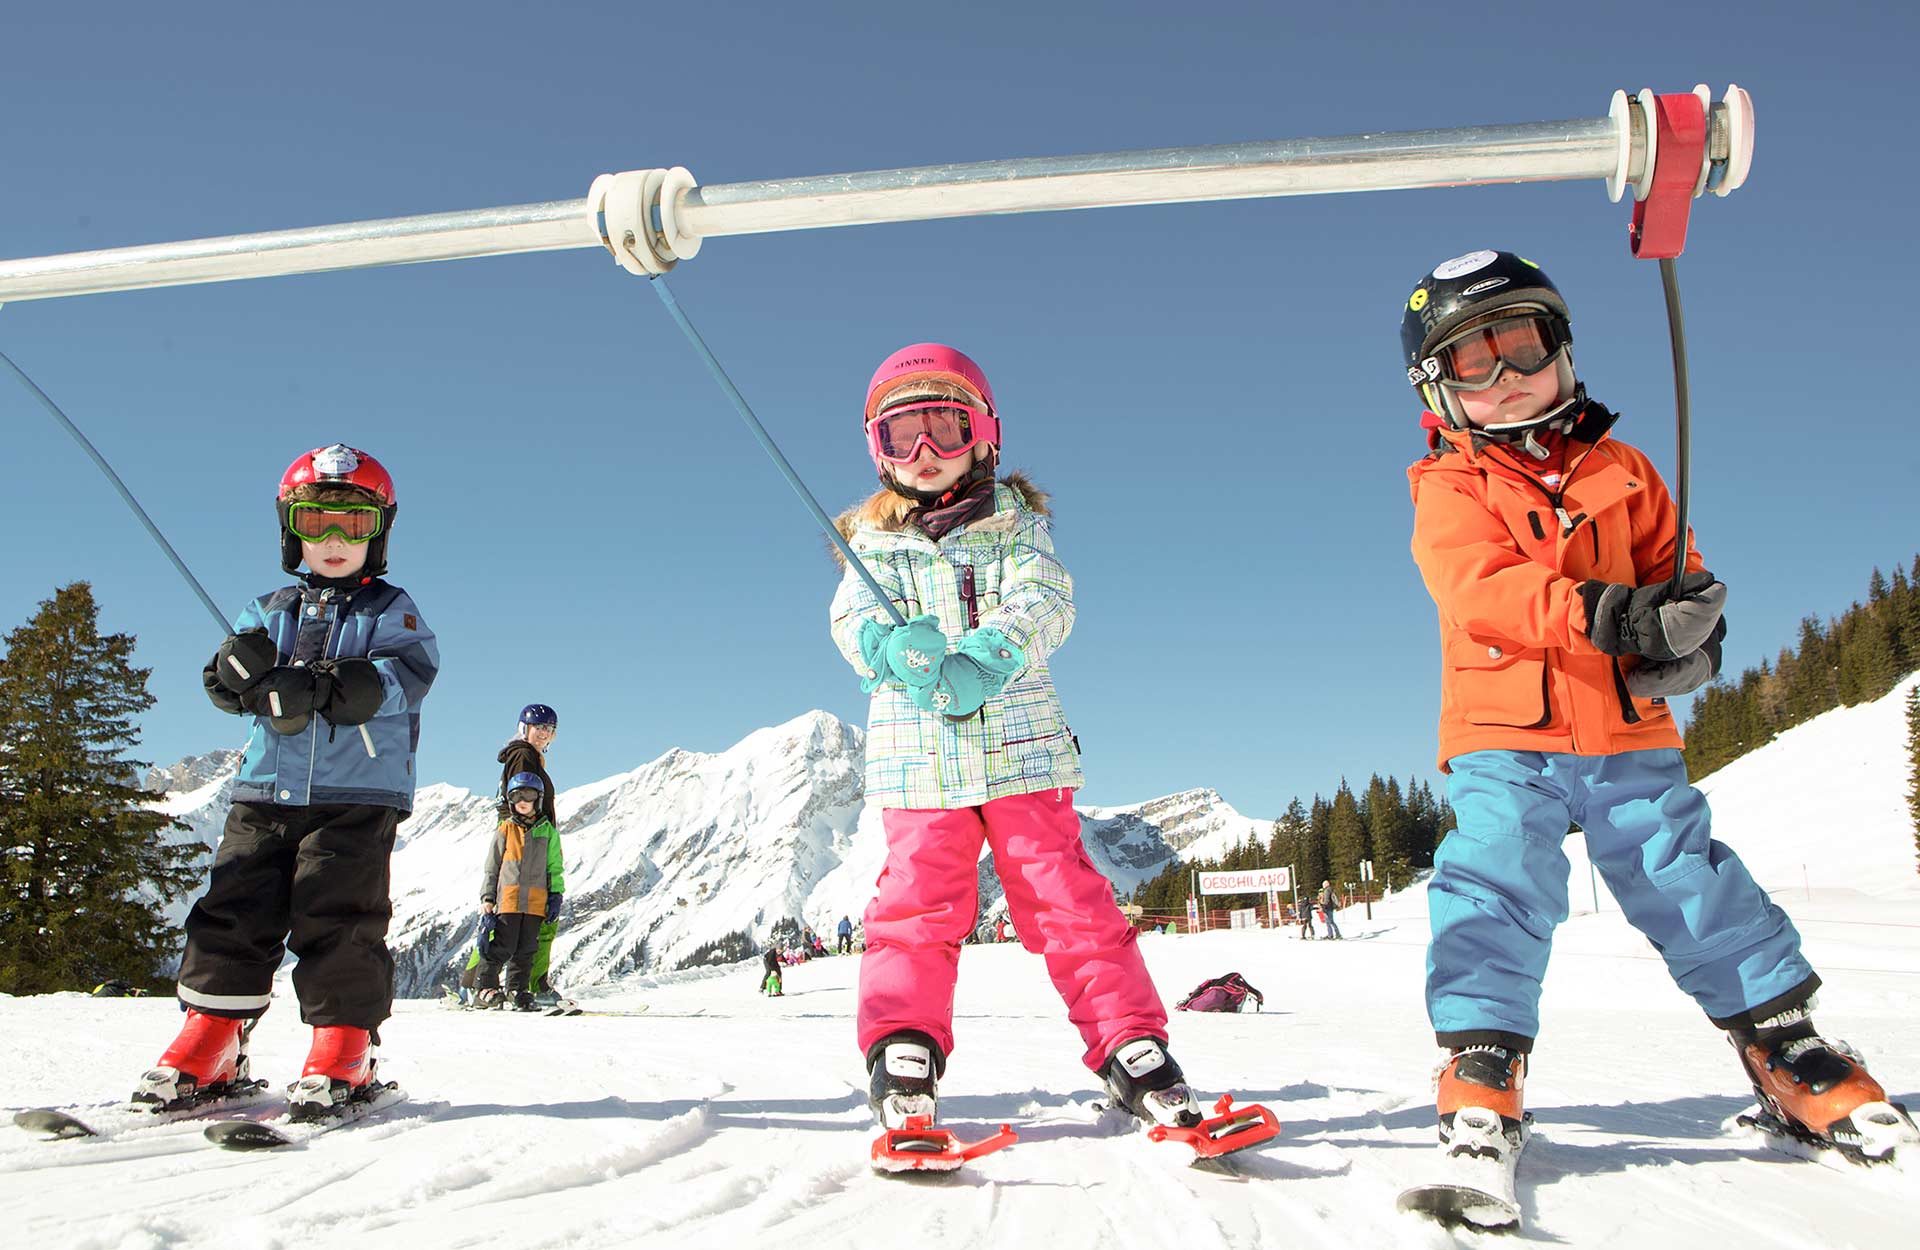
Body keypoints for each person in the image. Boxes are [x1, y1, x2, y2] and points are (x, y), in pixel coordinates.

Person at [1400, 250, 1915, 1163]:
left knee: (1683, 870)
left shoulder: (1627, 468)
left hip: (1624, 727)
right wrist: (1602, 611)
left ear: (1563, 349)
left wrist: (1689, 633)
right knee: (1495, 869)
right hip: (1506, 730)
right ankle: (1483, 1052)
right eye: (1476, 363)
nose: (1510, 378)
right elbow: (1478, 587)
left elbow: (1679, 571)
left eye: (1523, 346)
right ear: (1439, 390)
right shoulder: (1449, 486)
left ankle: (1783, 1041)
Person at [830, 343, 1203, 1135]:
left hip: (1021, 753)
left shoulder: (1015, 528)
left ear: (985, 434)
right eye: (904, 436)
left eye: (945, 427)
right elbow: (850, 620)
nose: (926, 454)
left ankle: (1129, 1041)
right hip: (919, 764)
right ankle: (903, 1042)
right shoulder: (873, 546)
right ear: (879, 451)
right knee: (915, 904)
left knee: (1065, 898)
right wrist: (889, 650)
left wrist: (989, 657)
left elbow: (1046, 601)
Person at [146, 444, 437, 1121]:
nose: (334, 541)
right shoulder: (269, 608)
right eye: (316, 521)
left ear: (381, 531)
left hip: (354, 799)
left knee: (338, 916)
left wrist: (329, 689)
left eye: (354, 525)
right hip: (264, 793)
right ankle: (211, 1037)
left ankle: (344, 1046)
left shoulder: (394, 612)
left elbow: (407, 676)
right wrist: (233, 672)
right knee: (233, 910)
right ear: (291, 528)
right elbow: (225, 679)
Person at [477, 773, 565, 1011]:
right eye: (516, 796)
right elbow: (492, 866)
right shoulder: (505, 830)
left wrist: (555, 895)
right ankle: (486, 986)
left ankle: (518, 989)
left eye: (529, 795)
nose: (522, 800)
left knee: (526, 948)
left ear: (538, 799)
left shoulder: (548, 833)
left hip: (536, 902)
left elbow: (554, 868)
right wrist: (488, 897)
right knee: (503, 945)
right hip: (509, 900)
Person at [497, 703, 563, 999]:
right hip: (529, 843)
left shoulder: (529, 756)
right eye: (539, 728)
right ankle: (534, 983)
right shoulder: (524, 756)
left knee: (512, 912)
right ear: (525, 728)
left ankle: (479, 979)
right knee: (536, 911)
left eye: (549, 729)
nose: (544, 734)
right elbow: (521, 799)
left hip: (533, 840)